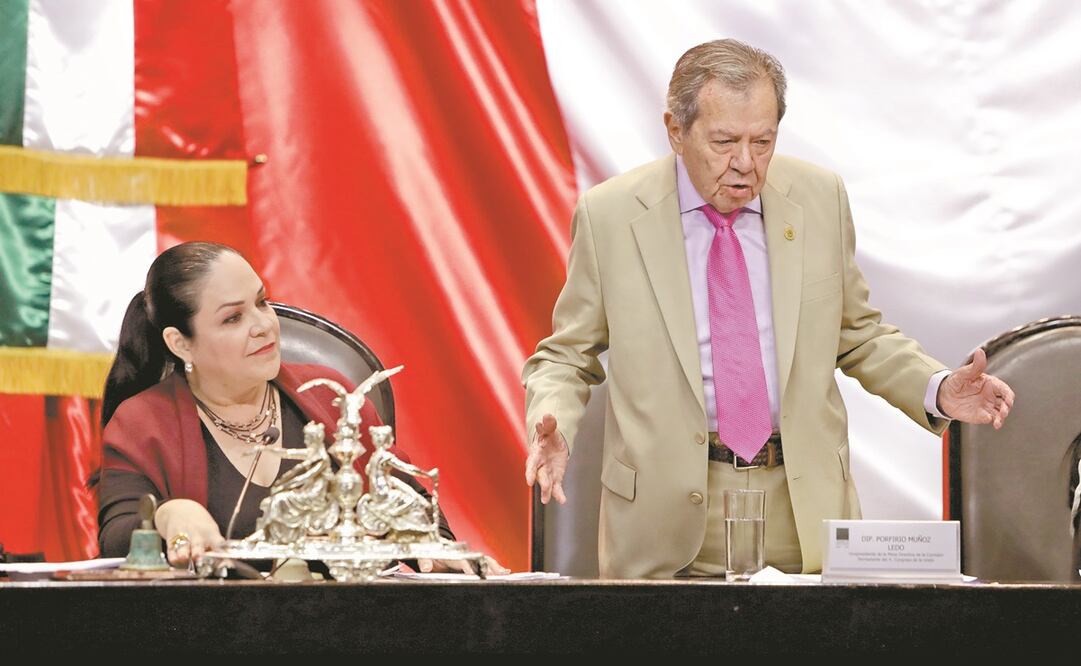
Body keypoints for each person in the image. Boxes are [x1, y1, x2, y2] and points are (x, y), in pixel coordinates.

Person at [522, 39, 1015, 578]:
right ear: (675, 130)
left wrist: (938, 387)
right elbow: (567, 356)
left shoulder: (819, 197)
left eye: (763, 141)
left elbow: (859, 334)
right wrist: (556, 425)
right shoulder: (611, 215)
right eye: (724, 141)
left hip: (801, 506)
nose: (744, 164)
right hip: (664, 518)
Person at [95, 241, 508, 575]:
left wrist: (434, 550)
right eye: (233, 318)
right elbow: (117, 537)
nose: (263, 324)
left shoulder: (332, 397)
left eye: (262, 302)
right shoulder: (142, 421)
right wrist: (169, 515)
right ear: (180, 343)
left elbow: (415, 509)